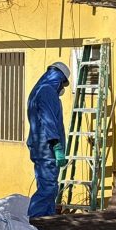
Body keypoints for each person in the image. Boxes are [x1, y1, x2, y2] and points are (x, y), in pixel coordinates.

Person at [26, 62, 70, 218]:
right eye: (62, 83)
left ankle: (47, 223)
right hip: (47, 148)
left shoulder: (38, 90)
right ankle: (35, 222)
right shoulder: (47, 91)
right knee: (48, 189)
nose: (61, 88)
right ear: (59, 78)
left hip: (40, 146)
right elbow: (48, 120)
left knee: (48, 187)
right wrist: (56, 146)